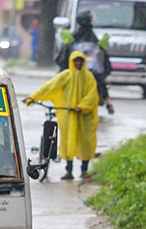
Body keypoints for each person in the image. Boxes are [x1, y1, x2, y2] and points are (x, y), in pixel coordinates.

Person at [25, 50, 100, 180]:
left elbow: (93, 95)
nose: (77, 63)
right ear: (72, 61)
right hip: (68, 116)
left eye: (80, 61)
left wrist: (81, 107)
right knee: (67, 142)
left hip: (84, 117)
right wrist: (33, 97)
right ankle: (69, 171)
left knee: (86, 142)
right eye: (75, 61)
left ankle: (84, 170)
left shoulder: (89, 77)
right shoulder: (65, 76)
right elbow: (49, 87)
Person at [56, 10, 113, 114]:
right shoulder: (91, 36)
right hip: (92, 71)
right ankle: (108, 102)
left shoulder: (74, 37)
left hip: (79, 71)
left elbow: (62, 58)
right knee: (101, 81)